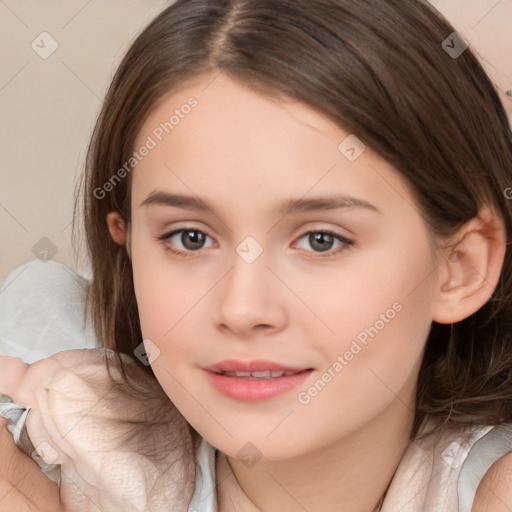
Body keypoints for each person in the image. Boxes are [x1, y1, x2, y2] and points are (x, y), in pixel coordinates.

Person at [1, 0, 512, 510]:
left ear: (459, 268)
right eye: (190, 238)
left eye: (321, 240)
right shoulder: (60, 443)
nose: (242, 309)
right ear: (128, 245)